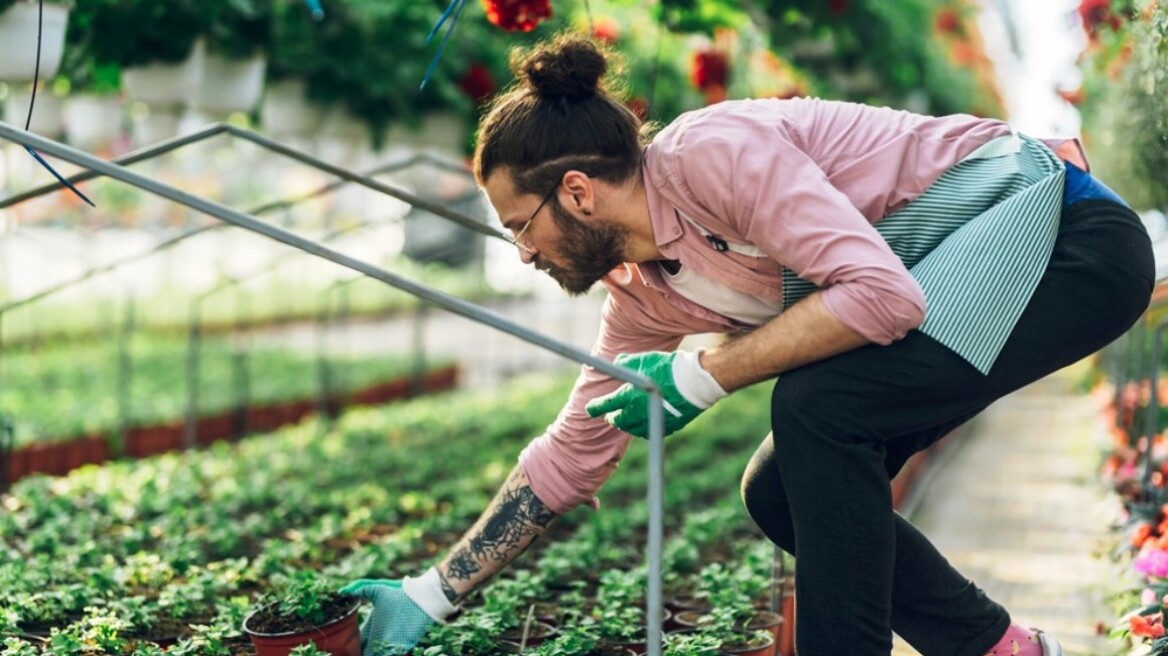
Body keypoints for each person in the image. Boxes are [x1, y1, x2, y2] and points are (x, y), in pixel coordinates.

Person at [339, 33, 1155, 656]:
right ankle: (1003, 648)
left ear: (578, 193)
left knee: (820, 409)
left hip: (1067, 241)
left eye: (522, 225)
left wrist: (709, 372)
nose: (521, 251)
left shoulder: (711, 157)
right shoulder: (645, 294)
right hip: (982, 276)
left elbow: (882, 296)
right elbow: (573, 452)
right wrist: (434, 591)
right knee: (777, 490)